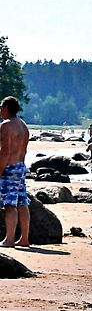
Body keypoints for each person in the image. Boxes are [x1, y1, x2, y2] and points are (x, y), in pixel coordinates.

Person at [0, 97, 30, 247]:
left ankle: (10, 239)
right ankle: (24, 239)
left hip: (9, 168)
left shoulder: (6, 125)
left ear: (6, 108)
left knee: (10, 205)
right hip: (20, 166)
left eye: (1, 107)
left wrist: (0, 169)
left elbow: (4, 150)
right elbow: (24, 150)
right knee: (22, 202)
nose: (0, 111)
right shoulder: (23, 125)